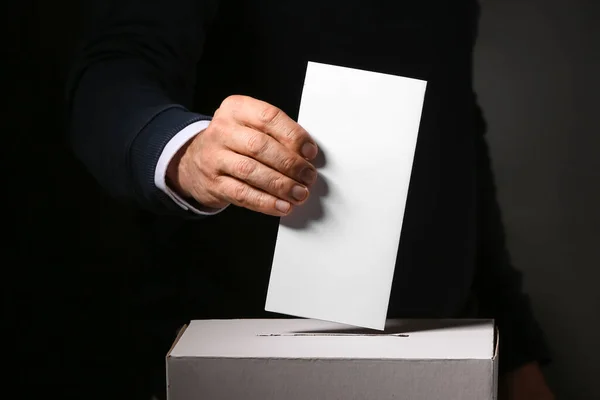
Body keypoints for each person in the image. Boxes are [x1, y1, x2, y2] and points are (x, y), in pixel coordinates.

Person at [66, 0, 554, 398]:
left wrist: (514, 347)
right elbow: (112, 72)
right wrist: (186, 152)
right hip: (243, 358)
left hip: (444, 352)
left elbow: (450, 124)